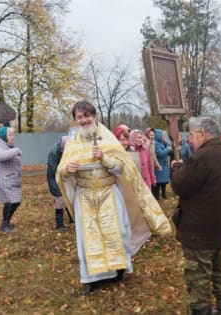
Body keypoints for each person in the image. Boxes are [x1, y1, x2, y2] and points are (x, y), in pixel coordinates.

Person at [56, 100, 171, 295]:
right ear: (75, 120)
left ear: (94, 116)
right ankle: (92, 279)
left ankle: (117, 271)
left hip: (108, 193)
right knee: (89, 237)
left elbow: (121, 167)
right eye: (79, 117)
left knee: (116, 233)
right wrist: (67, 169)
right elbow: (61, 172)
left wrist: (104, 158)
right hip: (85, 197)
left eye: (86, 116)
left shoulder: (107, 137)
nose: (83, 120)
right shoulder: (72, 141)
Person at [170, 116, 221, 315]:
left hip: (198, 233)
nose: (190, 140)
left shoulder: (201, 157)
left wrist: (176, 168)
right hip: (219, 230)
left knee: (198, 280)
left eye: (191, 135)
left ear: (202, 134)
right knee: (220, 272)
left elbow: (180, 186)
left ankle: (202, 311)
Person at [0, 125, 22, 232]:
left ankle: (5, 223)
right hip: (5, 178)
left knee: (10, 201)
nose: (12, 137)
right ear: (3, 135)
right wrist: (15, 151)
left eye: (13, 135)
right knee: (14, 201)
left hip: (9, 177)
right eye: (9, 135)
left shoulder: (5, 144)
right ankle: (4, 224)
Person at [46, 135, 72, 232]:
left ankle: (72, 218)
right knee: (60, 199)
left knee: (69, 197)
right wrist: (65, 170)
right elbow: (53, 170)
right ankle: (59, 224)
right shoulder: (54, 152)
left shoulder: (68, 148)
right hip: (54, 179)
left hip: (65, 177)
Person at [153, 129, 172, 200]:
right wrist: (168, 149)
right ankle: (157, 197)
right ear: (158, 135)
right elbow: (160, 154)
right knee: (158, 182)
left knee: (164, 182)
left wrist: (166, 145)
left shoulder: (162, 142)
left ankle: (164, 195)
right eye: (162, 135)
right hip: (159, 165)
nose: (163, 137)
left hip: (163, 165)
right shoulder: (156, 143)